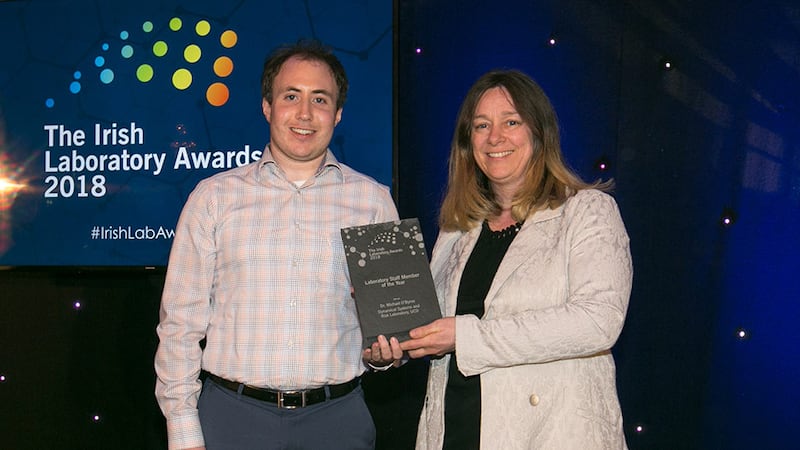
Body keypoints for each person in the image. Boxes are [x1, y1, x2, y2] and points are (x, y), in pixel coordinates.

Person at [154, 39, 401, 450]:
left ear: (337, 114)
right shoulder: (213, 198)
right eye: (291, 96)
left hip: (337, 422)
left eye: (320, 99)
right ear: (267, 106)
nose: (305, 114)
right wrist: (183, 430)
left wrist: (387, 351)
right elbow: (179, 326)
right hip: (231, 420)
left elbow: (391, 323)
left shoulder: (373, 201)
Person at [399, 69, 633, 449]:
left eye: (512, 122)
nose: (495, 138)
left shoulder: (587, 211)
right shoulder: (458, 227)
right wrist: (393, 345)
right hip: (456, 429)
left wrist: (465, 334)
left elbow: (598, 320)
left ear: (539, 134)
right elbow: (432, 324)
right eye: (481, 126)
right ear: (467, 142)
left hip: (549, 434)